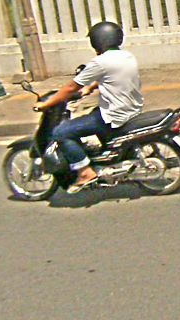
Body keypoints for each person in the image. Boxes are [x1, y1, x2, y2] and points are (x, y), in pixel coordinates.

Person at [37, 21, 144, 193]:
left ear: (98, 41)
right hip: (131, 109)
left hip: (113, 116)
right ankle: (104, 155)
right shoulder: (126, 56)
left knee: (61, 132)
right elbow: (114, 77)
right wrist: (92, 87)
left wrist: (46, 104)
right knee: (93, 113)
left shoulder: (100, 62)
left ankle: (85, 171)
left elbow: (70, 88)